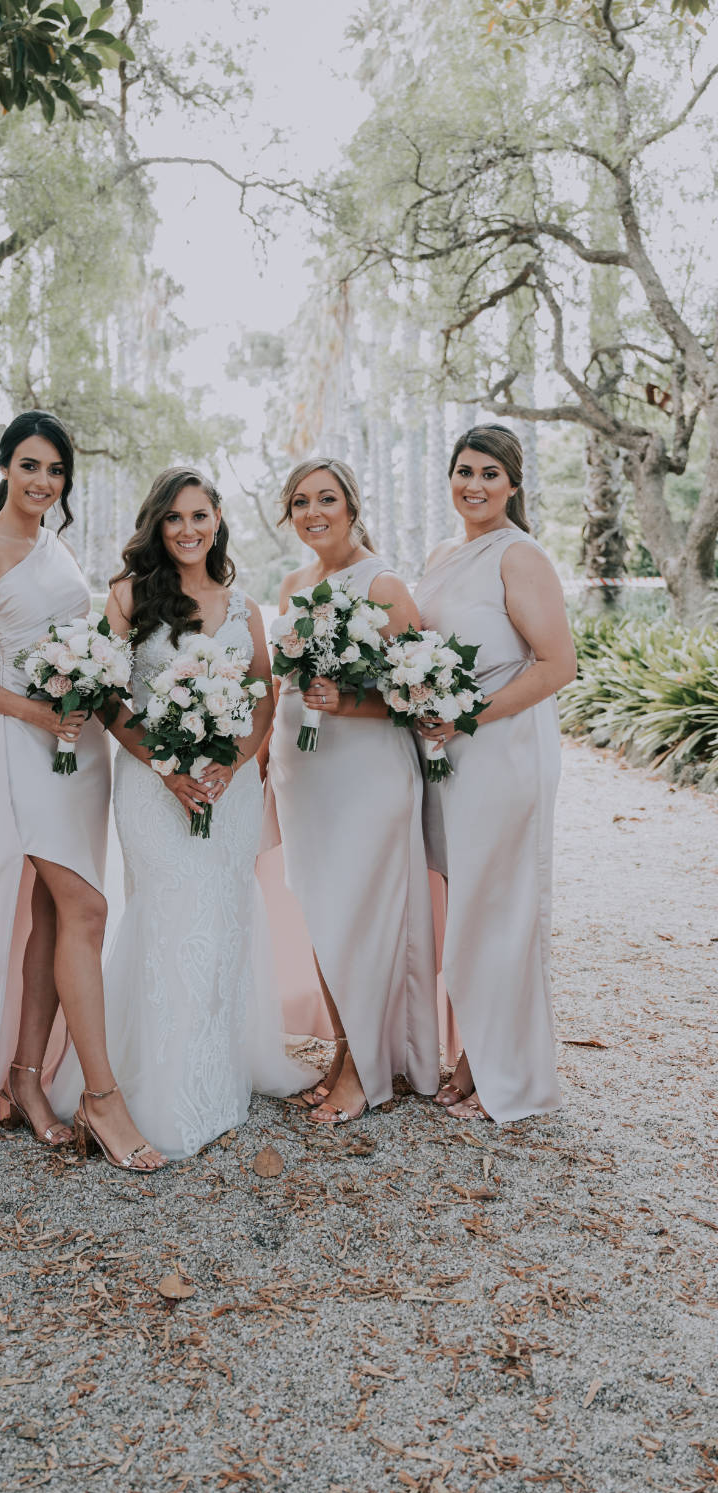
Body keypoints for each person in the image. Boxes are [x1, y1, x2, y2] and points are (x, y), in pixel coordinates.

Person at [0, 411, 164, 1171]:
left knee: (53, 916)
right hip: (23, 742)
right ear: (5, 467)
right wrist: (30, 709)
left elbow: (93, 639)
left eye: (55, 471)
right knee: (89, 906)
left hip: (82, 752)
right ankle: (102, 1100)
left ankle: (26, 1078)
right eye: (30, 466)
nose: (43, 481)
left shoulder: (58, 545)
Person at [50, 467, 313, 1159]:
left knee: (221, 924)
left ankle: (213, 1078)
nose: (189, 529)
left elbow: (262, 693)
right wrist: (166, 766)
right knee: (168, 918)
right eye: (174, 518)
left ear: (220, 518)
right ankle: (152, 1093)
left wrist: (238, 758)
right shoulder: (129, 597)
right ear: (157, 526)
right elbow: (107, 694)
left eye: (200, 515)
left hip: (227, 794)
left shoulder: (244, 605)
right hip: (151, 783)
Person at [260, 458, 440, 1125]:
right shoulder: (292, 583)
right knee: (323, 914)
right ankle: (342, 1050)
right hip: (305, 776)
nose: (313, 512)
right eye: (300, 501)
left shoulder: (384, 583)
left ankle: (367, 1070)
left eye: (326, 499)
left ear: (352, 505)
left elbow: (423, 692)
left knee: (360, 916)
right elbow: (284, 684)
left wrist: (352, 700)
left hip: (366, 776)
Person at [415, 424, 576, 1123]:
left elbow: (557, 665)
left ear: (513, 484)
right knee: (466, 901)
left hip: (503, 747)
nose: (473, 485)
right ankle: (474, 1049)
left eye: (488, 473)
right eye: (463, 471)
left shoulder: (521, 555)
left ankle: (504, 1072)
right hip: (449, 752)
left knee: (501, 905)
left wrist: (468, 715)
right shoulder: (444, 552)